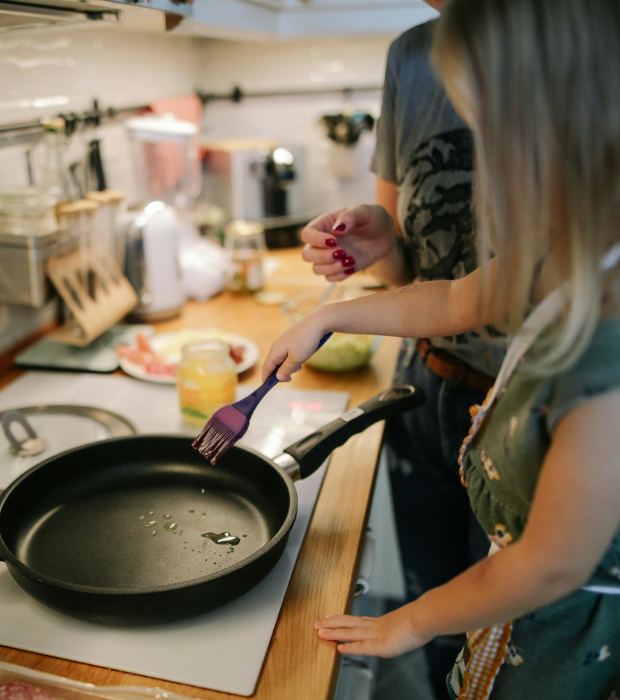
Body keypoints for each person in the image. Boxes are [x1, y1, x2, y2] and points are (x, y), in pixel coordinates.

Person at [264, 0, 620, 697]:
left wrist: (414, 622)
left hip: (561, 646)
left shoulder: (606, 355)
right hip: (510, 618)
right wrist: (330, 316)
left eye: (494, 132)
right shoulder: (571, 248)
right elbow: (454, 299)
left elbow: (550, 565)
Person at [301, 2, 496, 696]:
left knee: (505, 641)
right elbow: (423, 280)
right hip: (427, 384)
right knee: (438, 621)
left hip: (528, 407)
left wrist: (337, 319)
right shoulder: (413, 56)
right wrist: (377, 240)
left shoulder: (580, 45)